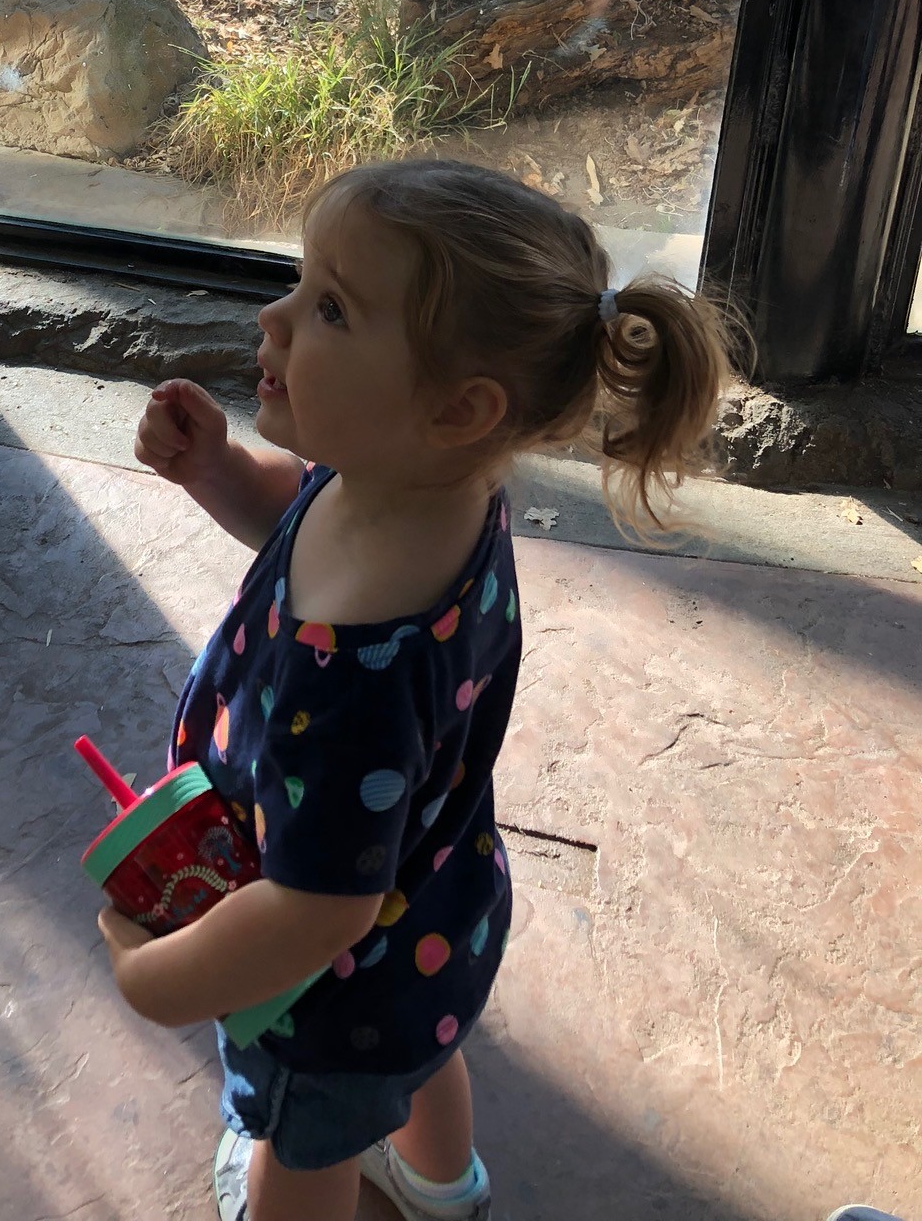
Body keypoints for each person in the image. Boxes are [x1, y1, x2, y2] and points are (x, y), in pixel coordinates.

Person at [98, 158, 732, 1221]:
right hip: (435, 897)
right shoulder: (430, 489)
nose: (274, 316)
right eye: (303, 284)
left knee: (304, 1142)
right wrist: (219, 472)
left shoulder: (358, 677)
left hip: (329, 992)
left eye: (331, 308)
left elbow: (316, 913)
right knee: (424, 1048)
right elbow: (297, 512)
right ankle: (443, 1185)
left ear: (459, 407)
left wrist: (155, 980)